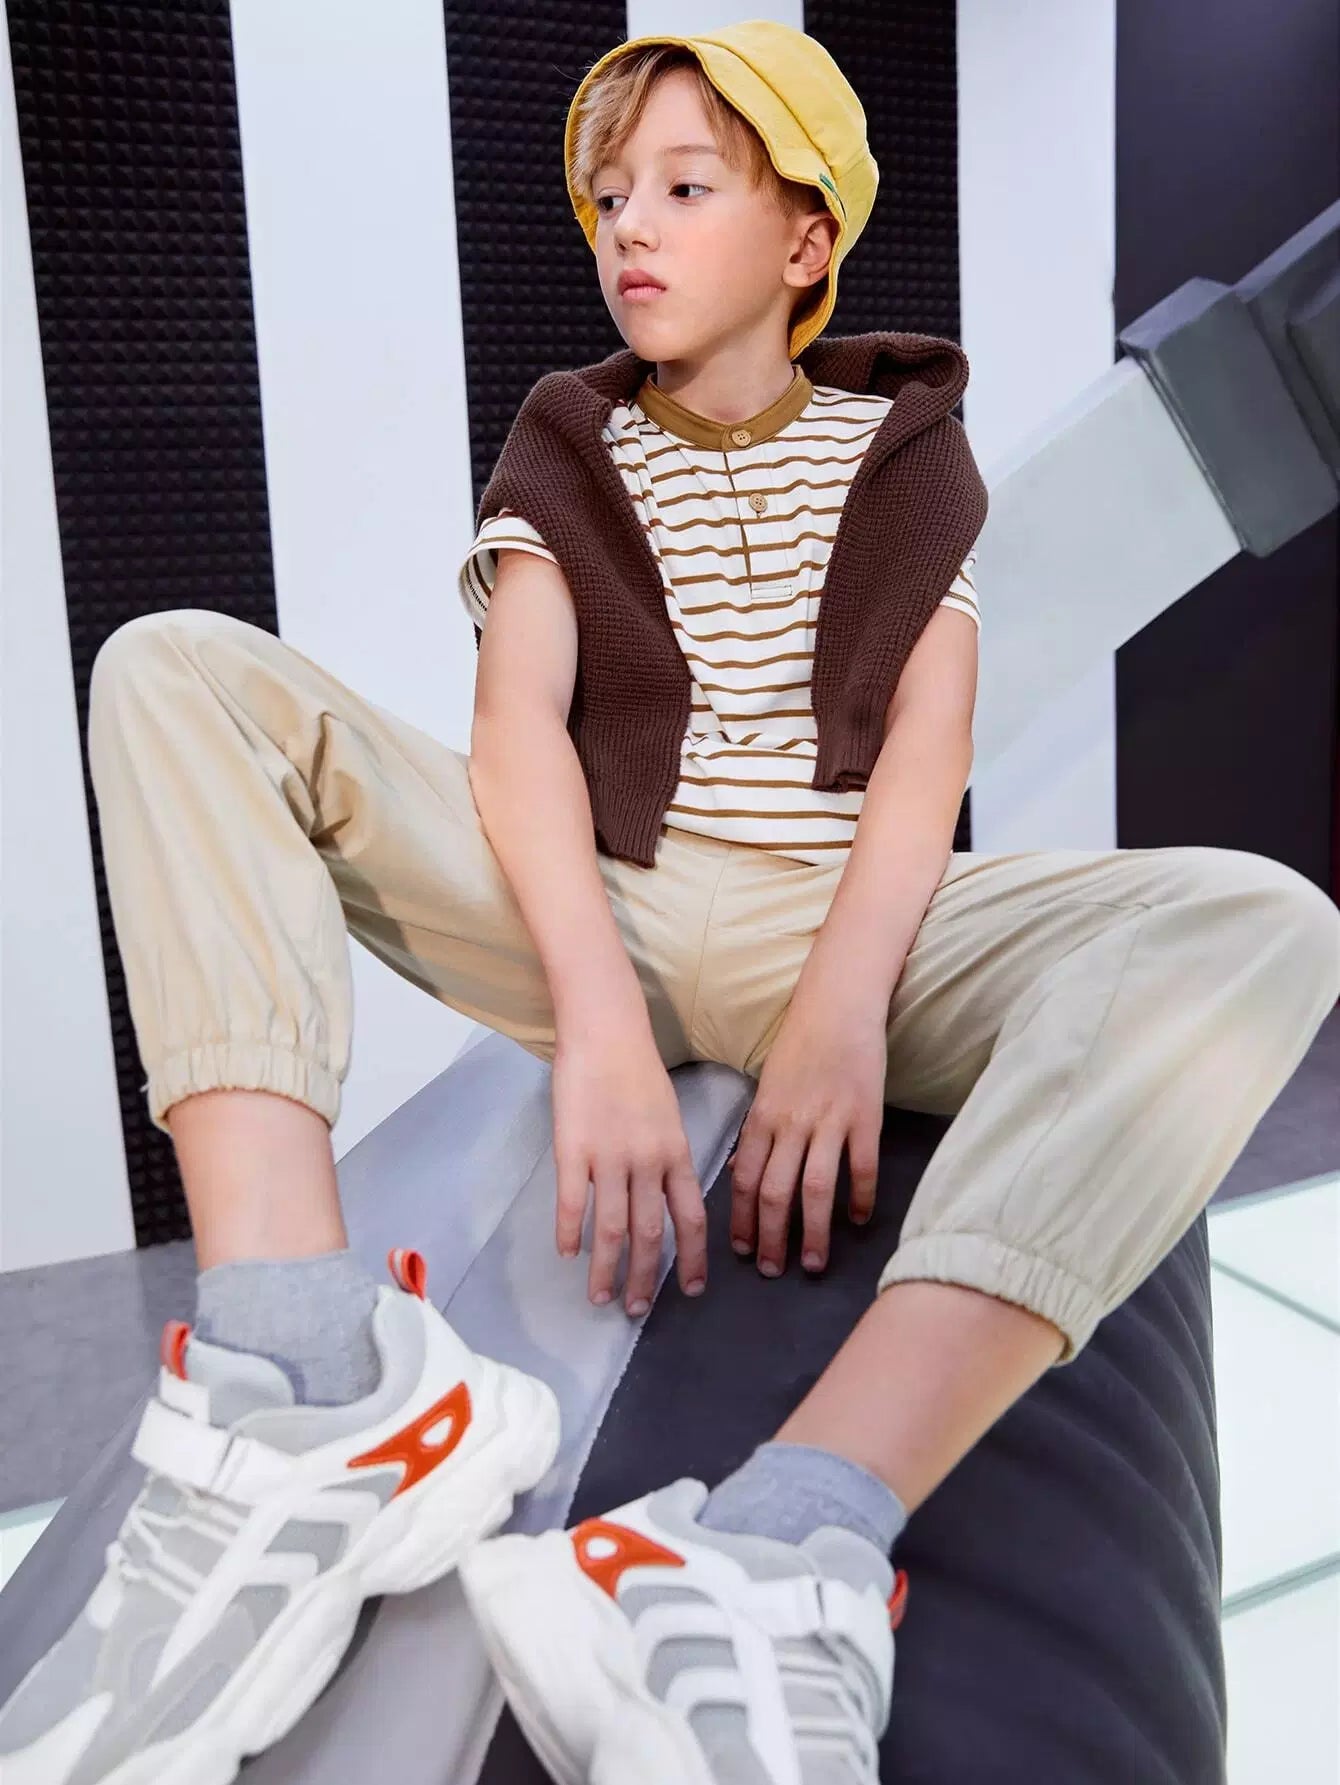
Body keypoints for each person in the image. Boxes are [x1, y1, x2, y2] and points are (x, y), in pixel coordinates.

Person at [2, 20, 1336, 1785]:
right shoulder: (569, 439)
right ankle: (308, 1369)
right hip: (606, 900)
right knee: (173, 666)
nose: (629, 224)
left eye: (686, 188)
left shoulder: (905, 449)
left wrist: (844, 1011)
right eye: (610, 196)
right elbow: (517, 739)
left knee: (1263, 919)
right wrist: (601, 1025)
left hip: (824, 916)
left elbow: (924, 755)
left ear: (804, 238)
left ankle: (787, 1530)